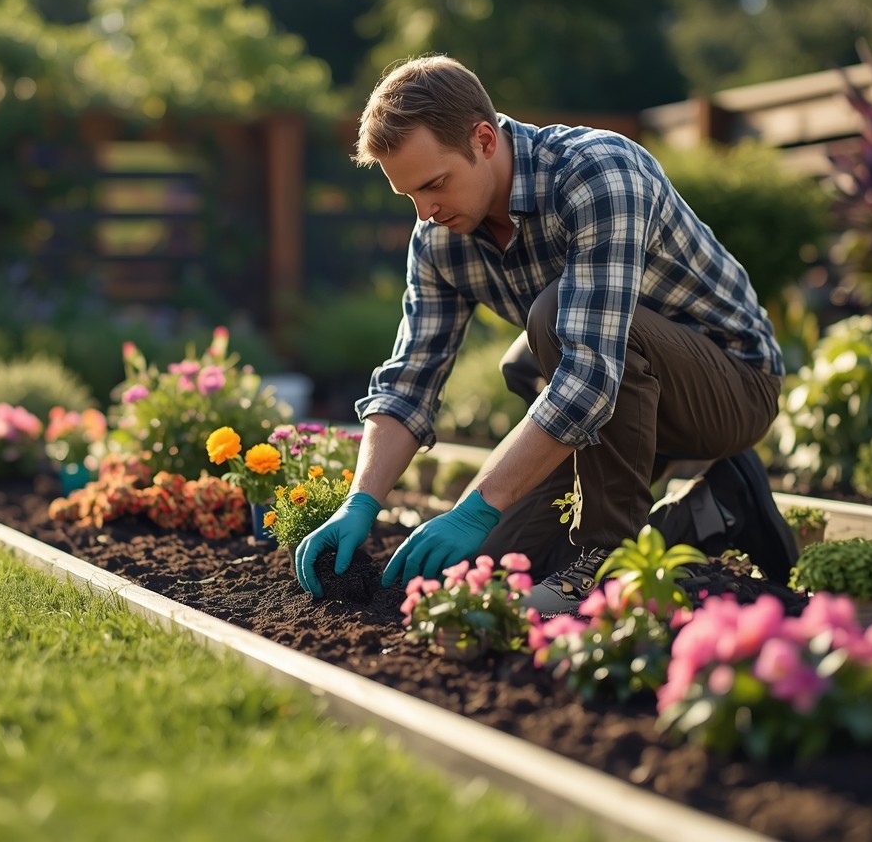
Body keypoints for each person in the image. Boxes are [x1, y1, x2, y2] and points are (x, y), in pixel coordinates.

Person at [292, 55, 797, 613]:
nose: (426, 211)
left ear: (483, 139)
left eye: (435, 184)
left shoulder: (597, 173)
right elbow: (411, 379)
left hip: (729, 388)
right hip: (617, 416)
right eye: (409, 196)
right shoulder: (439, 240)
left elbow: (588, 376)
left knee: (553, 321)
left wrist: (475, 506)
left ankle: (605, 556)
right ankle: (717, 507)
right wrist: (360, 501)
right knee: (484, 569)